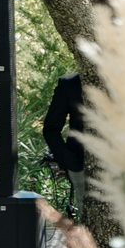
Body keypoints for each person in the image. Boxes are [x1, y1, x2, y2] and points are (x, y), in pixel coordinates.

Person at [42, 73, 86, 220]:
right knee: (89, 223)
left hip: (124, 165)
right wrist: (67, 159)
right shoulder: (70, 83)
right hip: (81, 166)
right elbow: (51, 128)